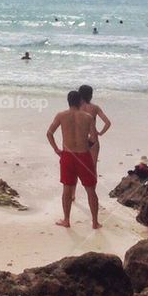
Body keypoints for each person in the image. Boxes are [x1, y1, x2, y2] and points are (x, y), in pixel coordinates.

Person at [47, 90, 100, 229]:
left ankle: (66, 220)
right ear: (80, 101)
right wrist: (85, 144)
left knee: (67, 189)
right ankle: (95, 222)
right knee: (90, 190)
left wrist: (56, 149)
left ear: (68, 101)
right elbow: (93, 138)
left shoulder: (61, 115)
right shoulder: (88, 117)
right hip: (84, 155)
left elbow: (49, 133)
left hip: (68, 155)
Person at [78, 85, 111, 170]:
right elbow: (107, 123)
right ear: (90, 95)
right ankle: (93, 183)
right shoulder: (95, 108)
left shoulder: (76, 108)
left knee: (79, 166)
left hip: (80, 139)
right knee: (93, 167)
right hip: (93, 138)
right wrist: (100, 133)